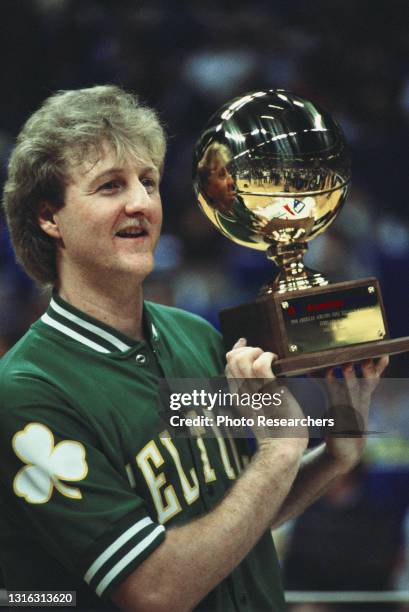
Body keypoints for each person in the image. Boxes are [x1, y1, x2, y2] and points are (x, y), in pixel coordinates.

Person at [0, 85, 388, 611]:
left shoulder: (195, 335)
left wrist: (335, 455)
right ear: (50, 218)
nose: (140, 202)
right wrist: (279, 452)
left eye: (148, 181)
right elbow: (156, 591)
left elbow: (232, 514)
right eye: (110, 186)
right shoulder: (28, 391)